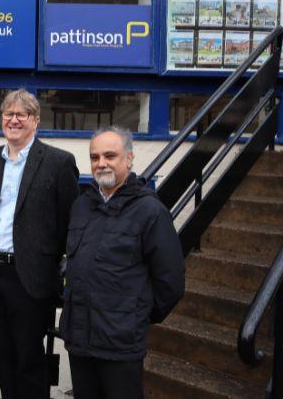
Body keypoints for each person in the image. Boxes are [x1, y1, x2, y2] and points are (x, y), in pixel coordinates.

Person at [60, 126, 185, 399]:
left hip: (120, 345)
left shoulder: (150, 211)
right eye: (94, 157)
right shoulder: (82, 206)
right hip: (80, 340)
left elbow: (171, 283)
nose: (101, 163)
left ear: (128, 159)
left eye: (110, 155)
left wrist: (133, 316)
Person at [0, 88, 80, 399]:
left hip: (32, 279)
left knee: (30, 360)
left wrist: (55, 264)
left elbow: (70, 222)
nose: (14, 120)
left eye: (22, 114)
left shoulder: (59, 163)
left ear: (36, 120)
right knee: (2, 356)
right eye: (9, 114)